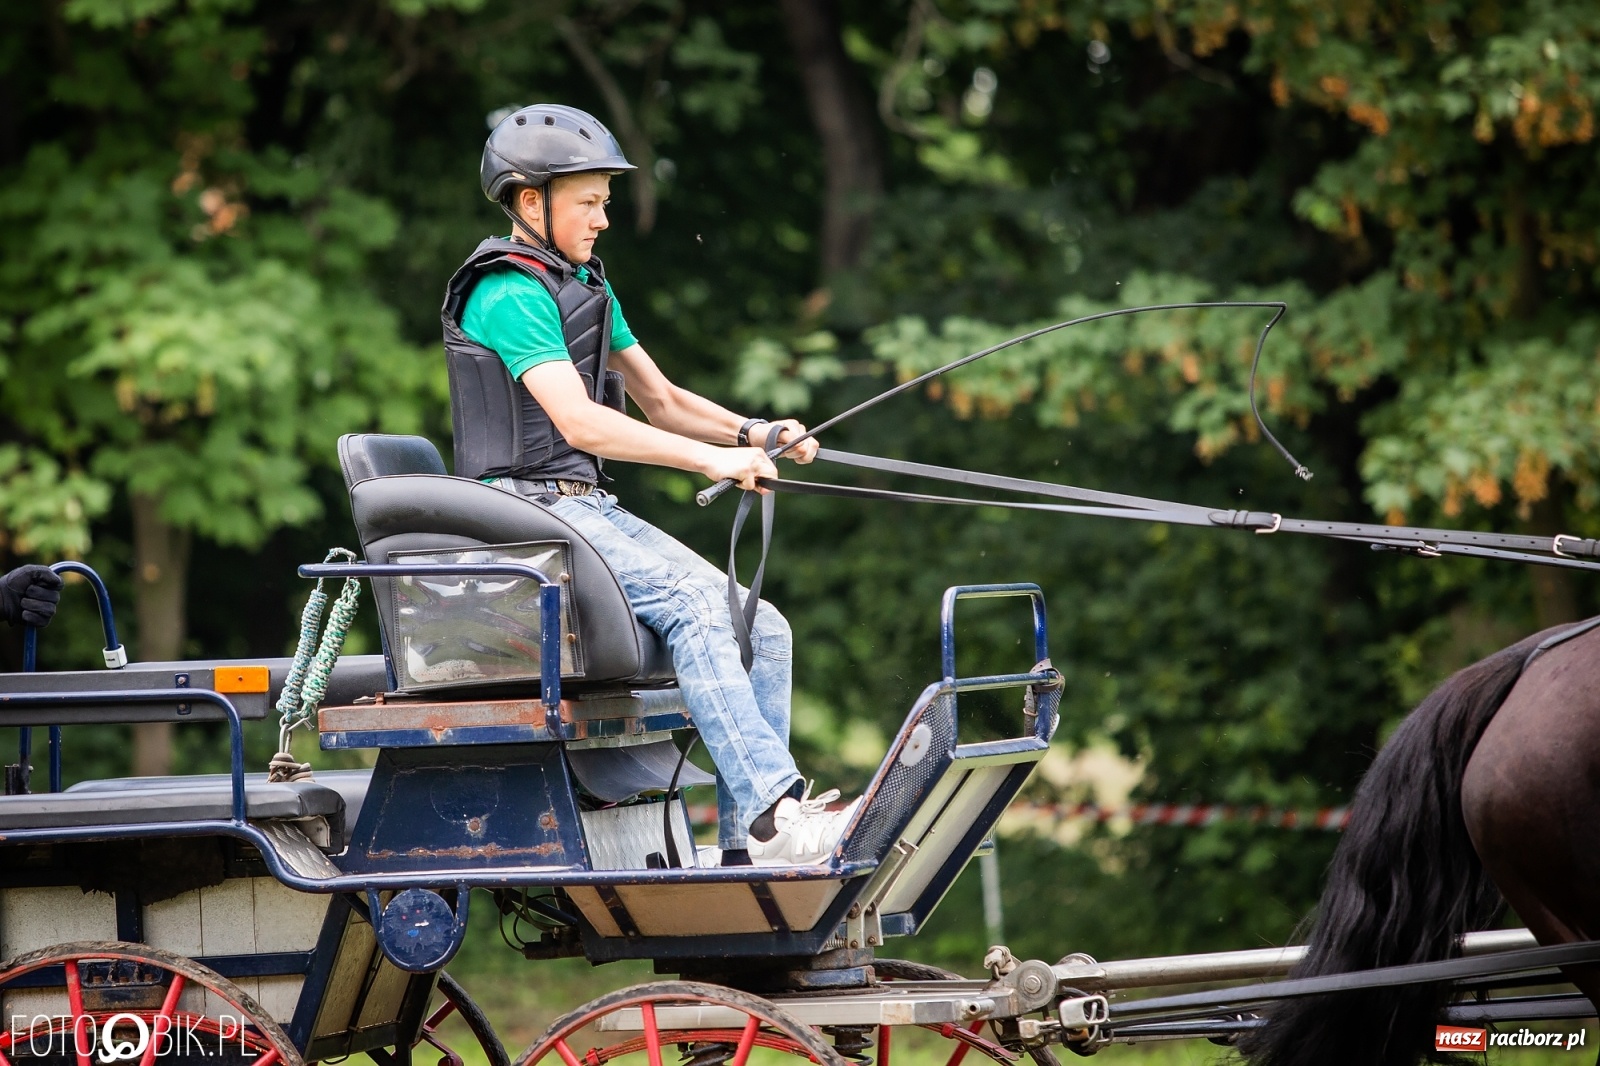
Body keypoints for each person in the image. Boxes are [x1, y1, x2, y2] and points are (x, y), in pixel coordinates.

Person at [441, 104, 857, 866]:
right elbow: (582, 425)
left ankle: (747, 855)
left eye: (606, 201)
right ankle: (774, 813)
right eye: (589, 202)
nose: (603, 219)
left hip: (581, 507)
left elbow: (661, 400)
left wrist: (753, 433)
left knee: (760, 629)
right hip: (519, 514)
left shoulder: (583, 287)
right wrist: (711, 463)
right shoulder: (506, 292)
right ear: (531, 201)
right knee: (698, 606)